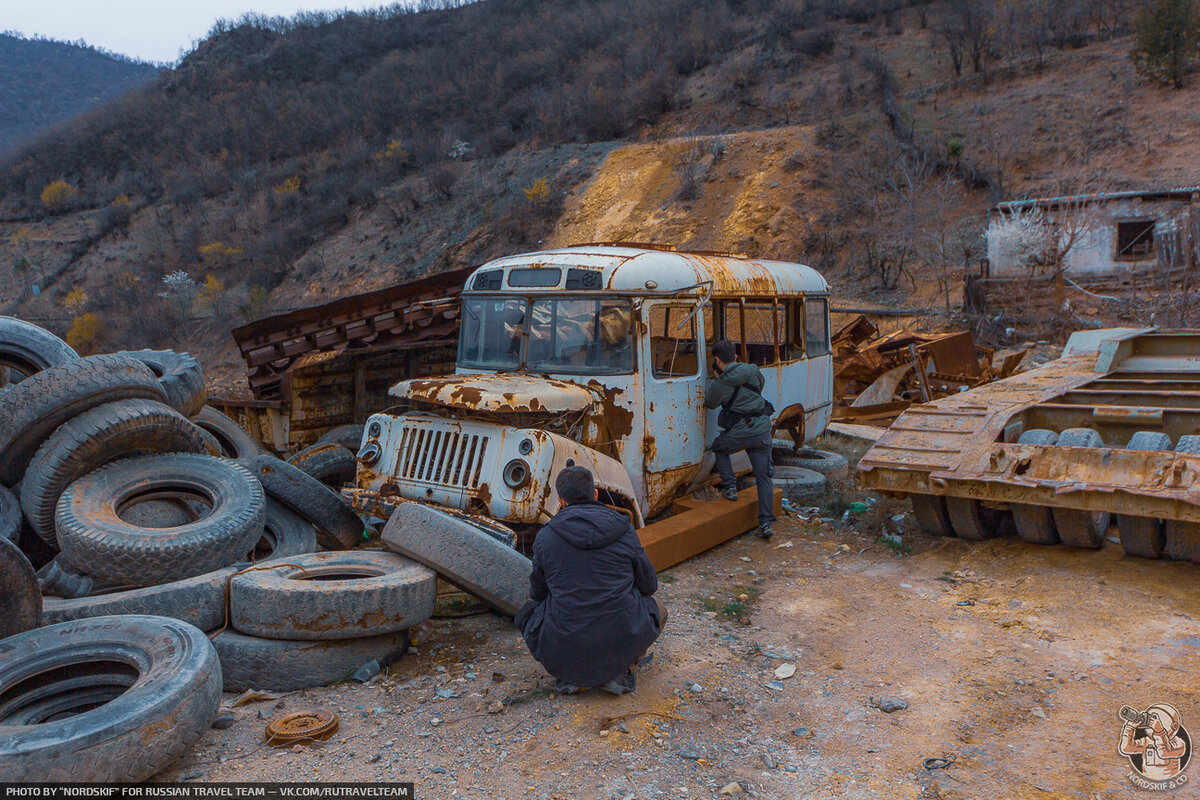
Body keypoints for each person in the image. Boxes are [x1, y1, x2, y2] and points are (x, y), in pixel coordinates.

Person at [515, 466, 666, 695]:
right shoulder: (624, 529)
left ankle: (570, 673)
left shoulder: (545, 538)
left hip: (565, 639)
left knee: (528, 612)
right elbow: (649, 585)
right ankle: (621, 668)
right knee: (659, 608)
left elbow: (538, 594)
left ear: (561, 501)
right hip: (620, 632)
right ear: (595, 494)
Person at [704, 339, 776, 538]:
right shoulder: (752, 370)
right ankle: (766, 524)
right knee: (764, 478)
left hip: (741, 432)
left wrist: (717, 380)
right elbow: (760, 385)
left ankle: (730, 487)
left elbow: (710, 403)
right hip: (762, 429)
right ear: (735, 356)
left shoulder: (721, 382)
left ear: (717, 360)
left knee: (719, 447)